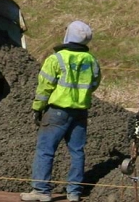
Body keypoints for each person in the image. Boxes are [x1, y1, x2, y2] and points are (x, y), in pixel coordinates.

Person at [20, 21, 102, 202]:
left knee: (45, 150)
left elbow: (44, 87)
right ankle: (74, 193)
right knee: (77, 151)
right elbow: (94, 84)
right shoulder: (91, 60)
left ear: (68, 35)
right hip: (80, 112)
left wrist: (37, 108)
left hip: (57, 111)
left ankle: (41, 191)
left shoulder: (56, 59)